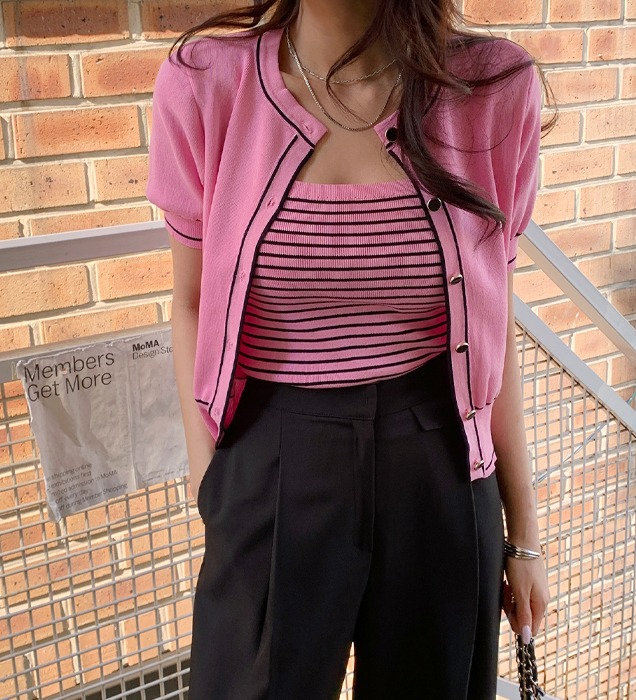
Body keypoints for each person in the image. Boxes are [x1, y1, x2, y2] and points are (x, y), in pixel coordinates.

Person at [146, 1, 553, 697]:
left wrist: (524, 534)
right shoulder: (206, 83)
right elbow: (190, 301)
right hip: (273, 461)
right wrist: (207, 477)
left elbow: (494, 318)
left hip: (441, 463)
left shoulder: (491, 88)